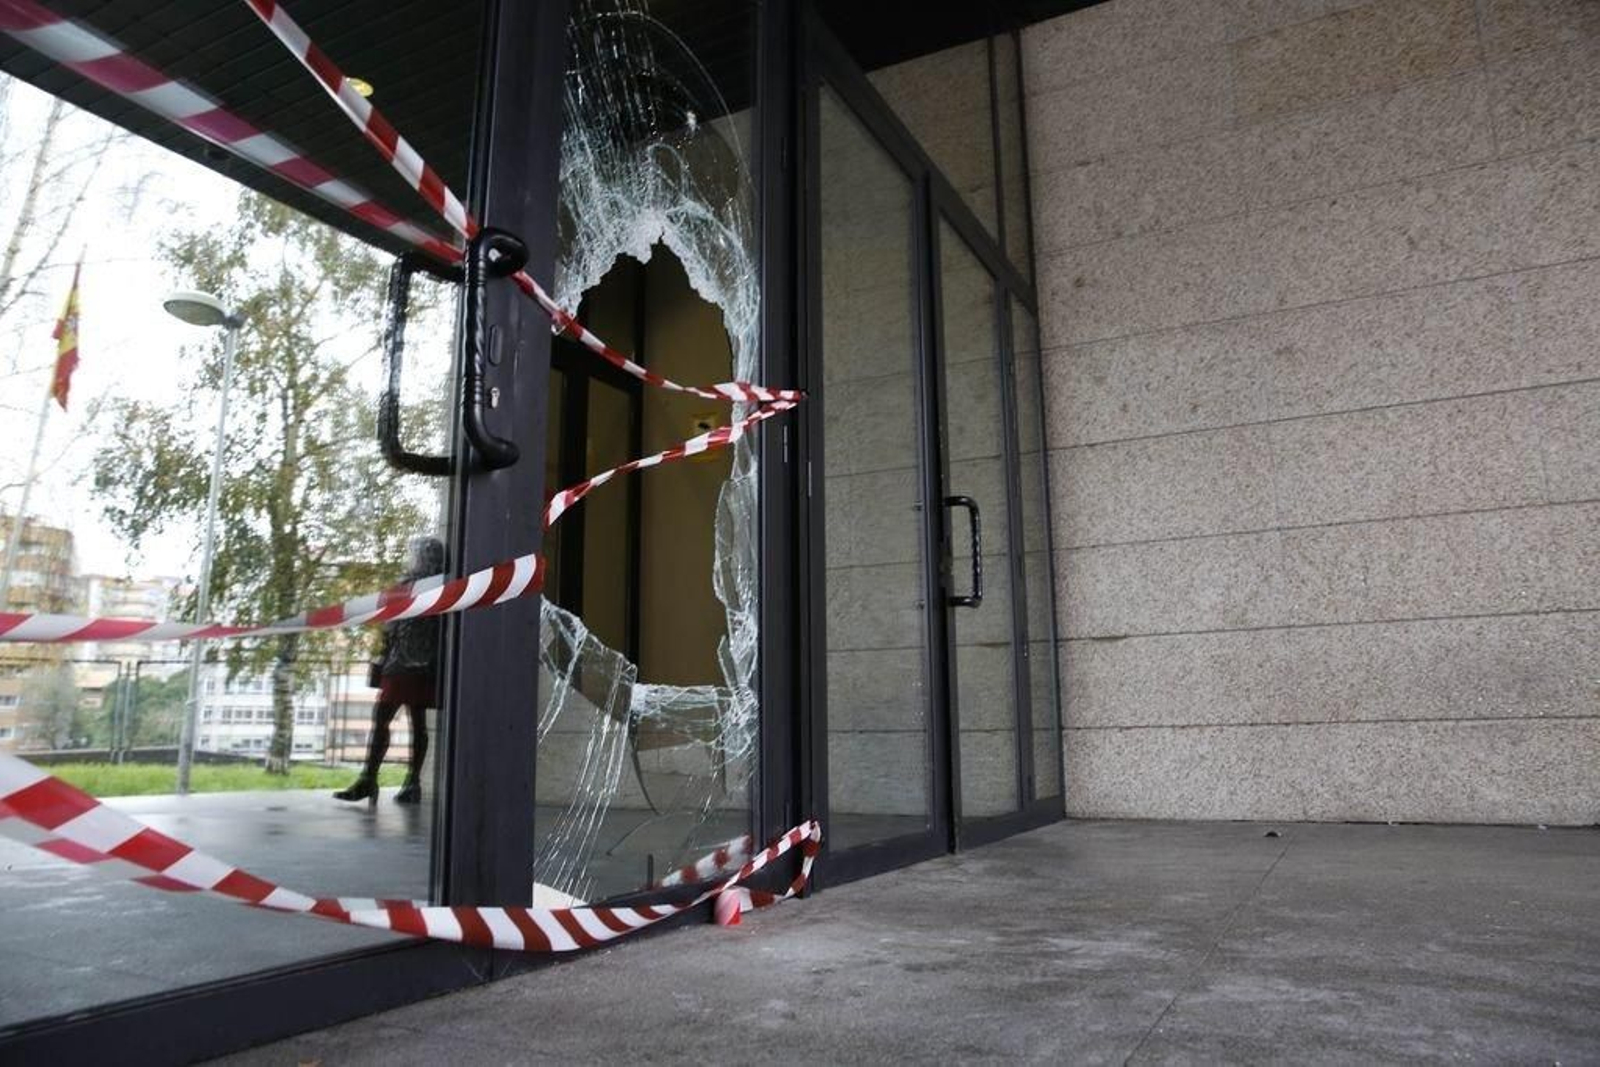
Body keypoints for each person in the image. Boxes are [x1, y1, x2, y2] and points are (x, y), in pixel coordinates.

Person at [335, 536, 444, 805]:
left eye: (416, 554)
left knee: (410, 722)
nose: (413, 558)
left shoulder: (439, 587)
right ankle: (372, 779)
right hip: (402, 666)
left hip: (417, 666)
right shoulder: (415, 586)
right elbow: (389, 627)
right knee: (391, 719)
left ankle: (403, 781)